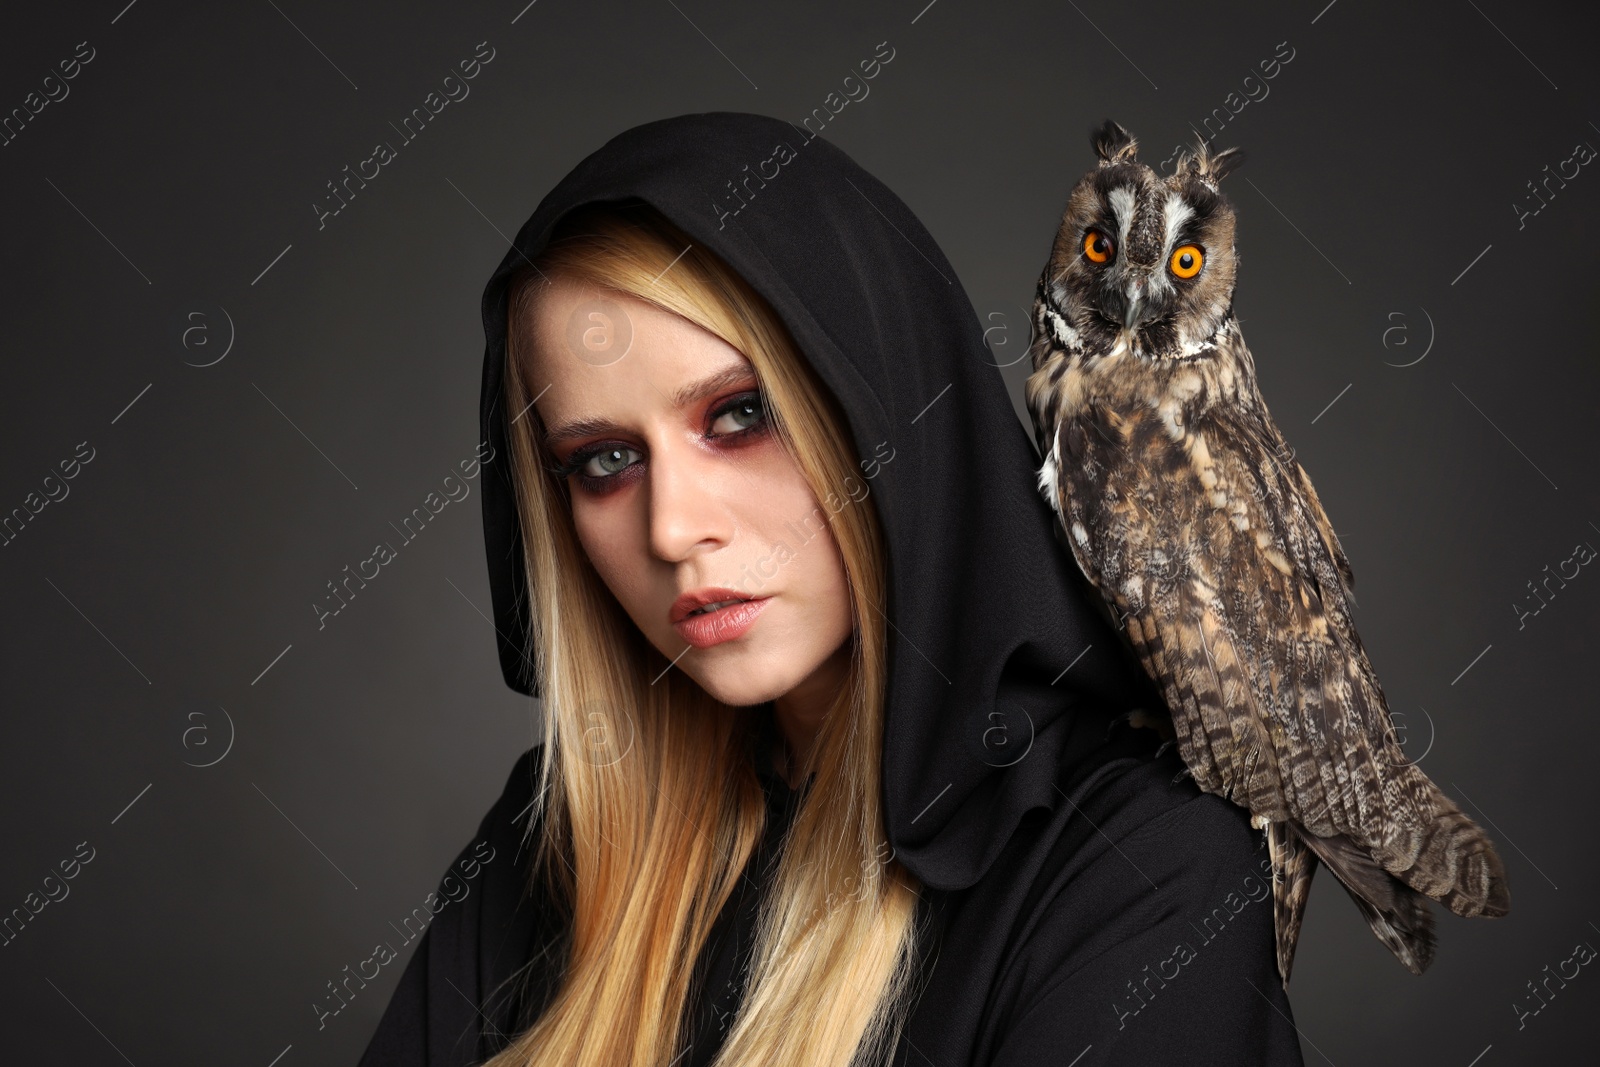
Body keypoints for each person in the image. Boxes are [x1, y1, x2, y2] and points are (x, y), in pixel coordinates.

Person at [358, 111, 1305, 1067]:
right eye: (603, 460)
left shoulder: (1140, 871)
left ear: (882, 405)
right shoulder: (548, 853)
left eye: (739, 415)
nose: (674, 529)